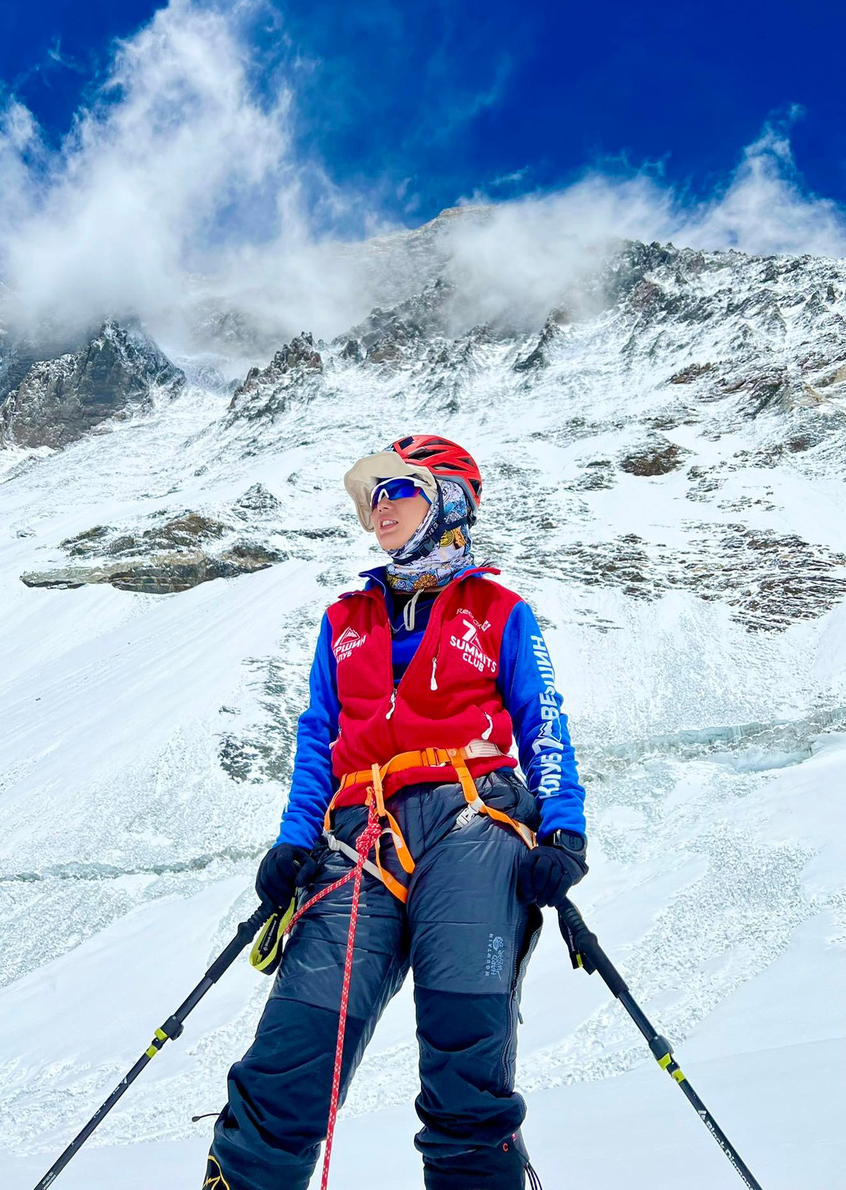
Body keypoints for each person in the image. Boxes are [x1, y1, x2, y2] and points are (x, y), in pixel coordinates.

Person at [204, 435, 587, 1190]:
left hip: (474, 821)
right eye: (371, 495)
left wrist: (563, 825)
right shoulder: (344, 619)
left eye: (396, 490)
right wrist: (291, 842)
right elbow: (318, 738)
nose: (377, 507)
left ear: (448, 499)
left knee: (464, 1054)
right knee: (291, 1051)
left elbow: (542, 715)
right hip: (359, 838)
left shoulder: (498, 609)